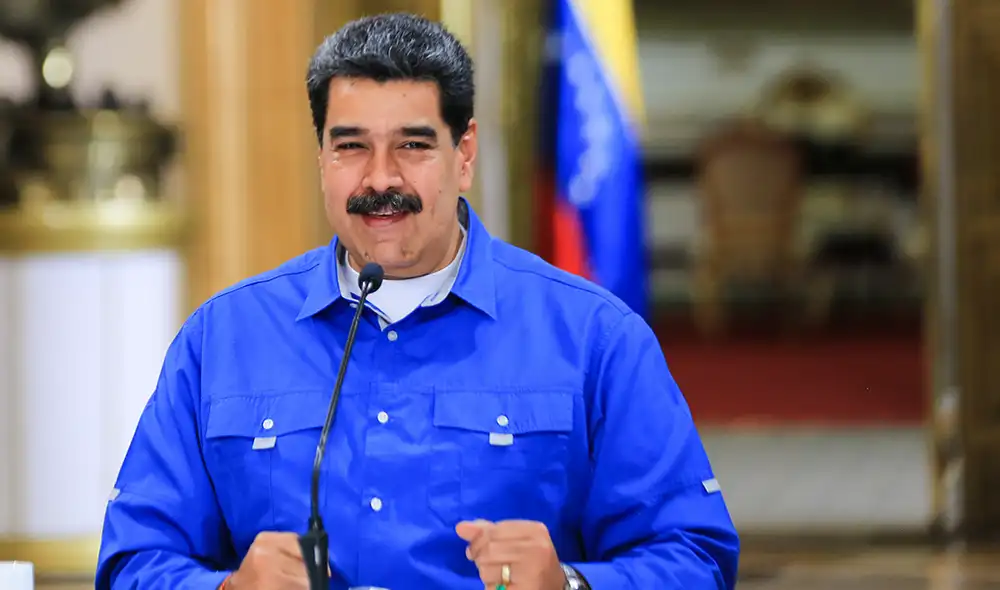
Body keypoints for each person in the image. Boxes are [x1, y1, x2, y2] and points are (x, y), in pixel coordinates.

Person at [95, 12, 739, 590]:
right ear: (321, 158)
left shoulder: (594, 335)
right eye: (350, 146)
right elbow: (132, 564)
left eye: (411, 144)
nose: (380, 178)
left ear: (463, 155)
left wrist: (571, 586)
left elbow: (695, 556)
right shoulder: (223, 338)